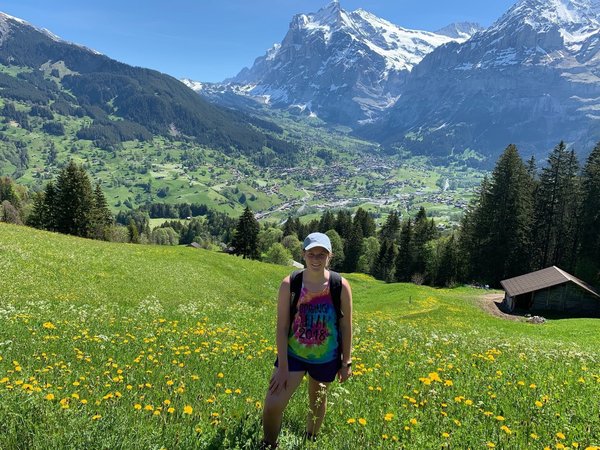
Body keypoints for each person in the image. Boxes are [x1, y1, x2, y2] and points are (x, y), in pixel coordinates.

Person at [261, 232, 353, 449]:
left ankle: (310, 439)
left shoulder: (340, 285)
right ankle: (268, 444)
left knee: (317, 403)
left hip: (326, 358)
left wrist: (346, 361)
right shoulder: (290, 284)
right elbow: (282, 326)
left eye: (322, 254)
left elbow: (346, 325)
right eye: (312, 253)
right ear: (303, 254)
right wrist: (283, 366)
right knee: (273, 404)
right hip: (293, 356)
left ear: (330, 256)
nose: (316, 258)